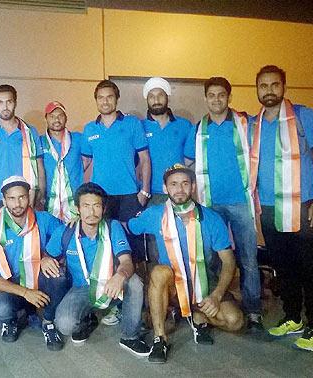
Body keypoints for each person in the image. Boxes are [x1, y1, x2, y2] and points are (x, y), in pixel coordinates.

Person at [250, 65, 313, 351]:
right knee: (284, 268)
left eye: (274, 85)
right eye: (263, 86)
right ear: (257, 89)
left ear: (283, 87)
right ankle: (293, 317)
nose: (269, 90)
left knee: (311, 268)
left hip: (305, 205)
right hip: (270, 209)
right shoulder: (254, 124)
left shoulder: (303, 116)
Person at [129, 164, 243, 363]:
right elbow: (128, 227)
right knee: (159, 272)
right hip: (172, 285)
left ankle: (195, 315)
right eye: (173, 184)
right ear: (165, 188)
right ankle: (160, 339)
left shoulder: (211, 218)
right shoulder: (155, 214)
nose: (179, 189)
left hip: (205, 284)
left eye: (185, 184)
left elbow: (228, 262)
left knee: (235, 321)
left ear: (193, 187)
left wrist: (216, 296)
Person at [185, 77, 263, 333]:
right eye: (211, 95)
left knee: (248, 259)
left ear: (229, 97)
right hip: (210, 204)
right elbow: (188, 164)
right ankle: (213, 304)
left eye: (221, 95)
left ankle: (253, 311)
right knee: (212, 259)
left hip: (241, 201)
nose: (216, 99)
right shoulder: (198, 129)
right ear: (205, 98)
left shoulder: (245, 123)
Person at [47, 182, 152, 358]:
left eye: (97, 206)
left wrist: (120, 274)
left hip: (110, 286)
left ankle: (130, 336)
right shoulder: (66, 232)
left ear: (103, 209)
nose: (91, 212)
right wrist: (44, 260)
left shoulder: (113, 227)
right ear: (78, 208)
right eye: (86, 206)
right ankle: (87, 320)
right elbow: (48, 255)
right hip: (81, 288)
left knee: (133, 281)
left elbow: (126, 261)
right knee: (65, 325)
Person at [0, 176, 70, 351]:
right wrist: (26, 292)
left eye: (22, 197)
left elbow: (66, 235)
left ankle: (48, 322)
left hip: (37, 277)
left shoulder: (43, 219)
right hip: (11, 283)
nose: (17, 203)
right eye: (11, 198)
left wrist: (47, 255)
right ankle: (14, 318)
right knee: (1, 309)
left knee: (58, 276)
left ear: (29, 197)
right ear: (4, 200)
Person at [81, 80, 151, 264]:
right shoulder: (90, 129)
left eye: (109, 97)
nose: (105, 101)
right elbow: (85, 163)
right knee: (105, 242)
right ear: (96, 101)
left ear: (117, 99)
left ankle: (136, 286)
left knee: (133, 243)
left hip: (129, 195)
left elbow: (144, 159)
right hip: (101, 198)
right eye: (100, 98)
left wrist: (144, 191)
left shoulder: (132, 123)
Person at [0, 84, 46, 227]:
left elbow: (39, 167)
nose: (5, 106)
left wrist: (41, 197)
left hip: (24, 199)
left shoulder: (30, 132)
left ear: (15, 103)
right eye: (0, 102)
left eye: (9, 101)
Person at [140, 77, 194, 205]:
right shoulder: (139, 127)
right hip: (149, 194)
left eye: (160, 95)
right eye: (151, 96)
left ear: (168, 97)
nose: (156, 100)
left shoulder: (185, 125)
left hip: (179, 193)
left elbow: (190, 160)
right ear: (147, 100)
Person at [41, 101, 84, 222]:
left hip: (75, 202)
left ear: (66, 118)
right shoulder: (39, 142)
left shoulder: (78, 139)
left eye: (60, 115)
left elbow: (89, 162)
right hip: (48, 202)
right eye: (52, 116)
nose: (56, 119)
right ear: (46, 119)